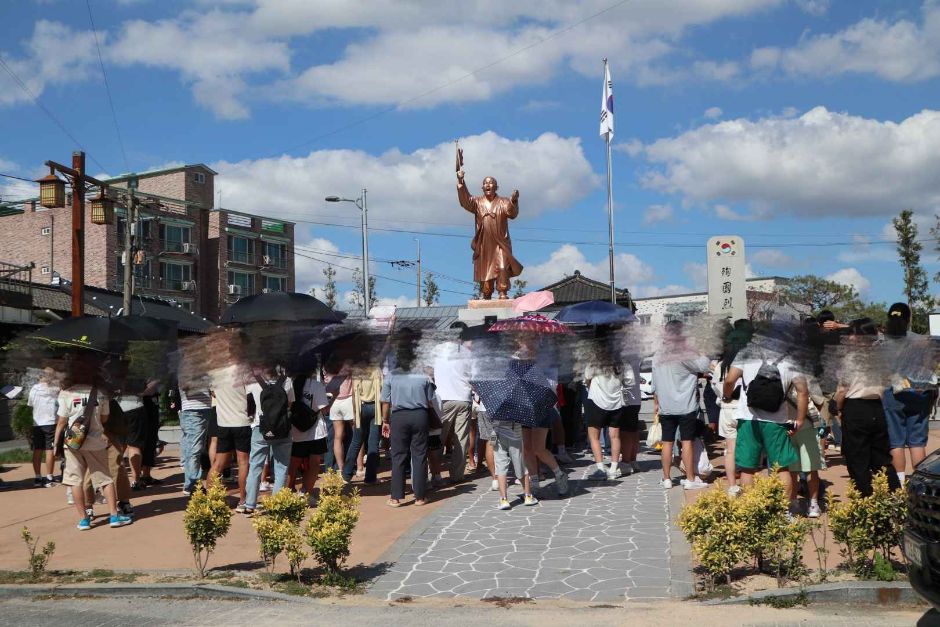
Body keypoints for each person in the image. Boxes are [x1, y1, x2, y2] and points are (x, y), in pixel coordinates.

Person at [723, 334, 808, 507]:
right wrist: (799, 419)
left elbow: (730, 379)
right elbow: (803, 391)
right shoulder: (791, 359)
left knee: (748, 468)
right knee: (782, 468)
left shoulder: (746, 354)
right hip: (777, 419)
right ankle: (785, 512)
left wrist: (727, 395)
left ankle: (752, 509)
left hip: (748, 418)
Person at [54, 368, 132, 530]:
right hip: (96, 442)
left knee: (75, 481)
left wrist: (55, 444)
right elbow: (104, 419)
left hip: (73, 443)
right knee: (105, 478)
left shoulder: (66, 394)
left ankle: (84, 520)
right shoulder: (101, 393)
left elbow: (61, 422)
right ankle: (113, 516)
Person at [835, 319, 901, 496]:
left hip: (855, 408)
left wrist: (838, 407)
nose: (849, 337)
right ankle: (896, 499)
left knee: (858, 461)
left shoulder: (850, 358)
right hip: (877, 409)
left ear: (860, 337)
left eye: (852, 333)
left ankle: (865, 503)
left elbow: (842, 389)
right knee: (882, 460)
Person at [652, 321, 711, 490]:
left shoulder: (658, 354)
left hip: (666, 406)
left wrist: (656, 403)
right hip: (686, 405)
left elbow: (654, 385)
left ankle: (666, 478)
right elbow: (704, 365)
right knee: (687, 442)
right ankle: (691, 478)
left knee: (667, 442)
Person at [882, 302, 935, 485]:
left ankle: (900, 484)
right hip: (919, 394)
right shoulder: (922, 341)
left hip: (892, 394)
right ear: (908, 319)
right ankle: (920, 482)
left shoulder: (882, 342)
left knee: (896, 442)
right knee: (917, 443)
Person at [381, 331, 435, 507]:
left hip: (399, 416)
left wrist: (385, 421)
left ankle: (396, 497)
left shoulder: (391, 376)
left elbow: (385, 401)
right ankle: (419, 496)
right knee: (419, 455)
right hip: (420, 415)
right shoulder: (423, 376)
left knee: (398, 456)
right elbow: (430, 400)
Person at [456, 162, 524, 300]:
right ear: (482, 187)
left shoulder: (503, 201)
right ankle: (486, 293)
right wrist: (461, 181)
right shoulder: (477, 202)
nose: (488, 185)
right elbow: (465, 201)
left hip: (500, 242)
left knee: (503, 267)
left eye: (491, 182)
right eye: (485, 183)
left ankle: (503, 292)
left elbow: (512, 214)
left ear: (496, 187)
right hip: (485, 244)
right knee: (486, 271)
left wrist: (514, 201)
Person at [516, 334, 569, 497]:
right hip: (524, 407)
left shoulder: (546, 361)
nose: (525, 345)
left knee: (538, 448)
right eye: (522, 342)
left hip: (542, 407)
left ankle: (559, 474)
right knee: (527, 449)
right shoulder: (518, 362)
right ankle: (534, 482)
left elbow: (551, 386)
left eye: (528, 341)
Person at [243, 365, 295, 516]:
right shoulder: (287, 381)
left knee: (255, 467)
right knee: (281, 468)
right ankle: (276, 506)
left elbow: (249, 405)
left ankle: (249, 505)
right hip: (282, 429)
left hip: (260, 428)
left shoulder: (253, 381)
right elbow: (290, 405)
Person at [208, 361, 252, 510]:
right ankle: (243, 499)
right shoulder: (245, 370)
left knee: (218, 464)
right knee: (243, 462)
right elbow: (251, 395)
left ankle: (211, 499)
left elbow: (213, 393)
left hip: (224, 422)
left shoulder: (216, 372)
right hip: (242, 421)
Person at [432, 337, 473, 483]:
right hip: (463, 397)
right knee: (461, 440)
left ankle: (435, 474)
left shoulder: (437, 349)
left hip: (442, 398)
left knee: (438, 439)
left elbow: (429, 370)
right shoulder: (467, 352)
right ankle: (457, 475)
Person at [288, 370, 330, 502]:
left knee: (293, 462)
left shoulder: (290, 383)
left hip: (295, 429)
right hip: (315, 430)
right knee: (314, 463)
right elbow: (324, 409)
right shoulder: (316, 385)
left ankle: (288, 492)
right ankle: (306, 492)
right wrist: (333, 398)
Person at [584, 358, 624, 481]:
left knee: (594, 437)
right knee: (615, 436)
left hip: (597, 400)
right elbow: (630, 380)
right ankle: (614, 468)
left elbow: (587, 377)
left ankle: (600, 468)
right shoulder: (621, 360)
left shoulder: (594, 360)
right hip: (616, 401)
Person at [344, 368, 383, 484]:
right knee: (373, 443)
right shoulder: (377, 370)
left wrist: (355, 414)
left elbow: (354, 395)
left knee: (356, 442)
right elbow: (382, 389)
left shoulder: (357, 371)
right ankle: (370, 478)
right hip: (375, 408)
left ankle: (346, 475)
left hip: (361, 407)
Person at [27, 367, 60, 487]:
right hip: (51, 422)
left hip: (37, 423)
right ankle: (49, 477)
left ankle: (37, 477)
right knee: (49, 450)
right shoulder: (55, 388)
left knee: (37, 449)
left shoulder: (33, 389)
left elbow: (30, 404)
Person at [325, 359, 354, 474]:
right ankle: (359, 467)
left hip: (334, 400)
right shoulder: (349, 363)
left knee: (337, 437)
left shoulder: (327, 364)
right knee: (356, 434)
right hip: (348, 399)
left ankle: (341, 468)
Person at [619, 353, 643, 474]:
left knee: (625, 432)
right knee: (633, 431)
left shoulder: (624, 355)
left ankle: (626, 462)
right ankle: (633, 460)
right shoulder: (635, 353)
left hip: (627, 399)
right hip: (635, 398)